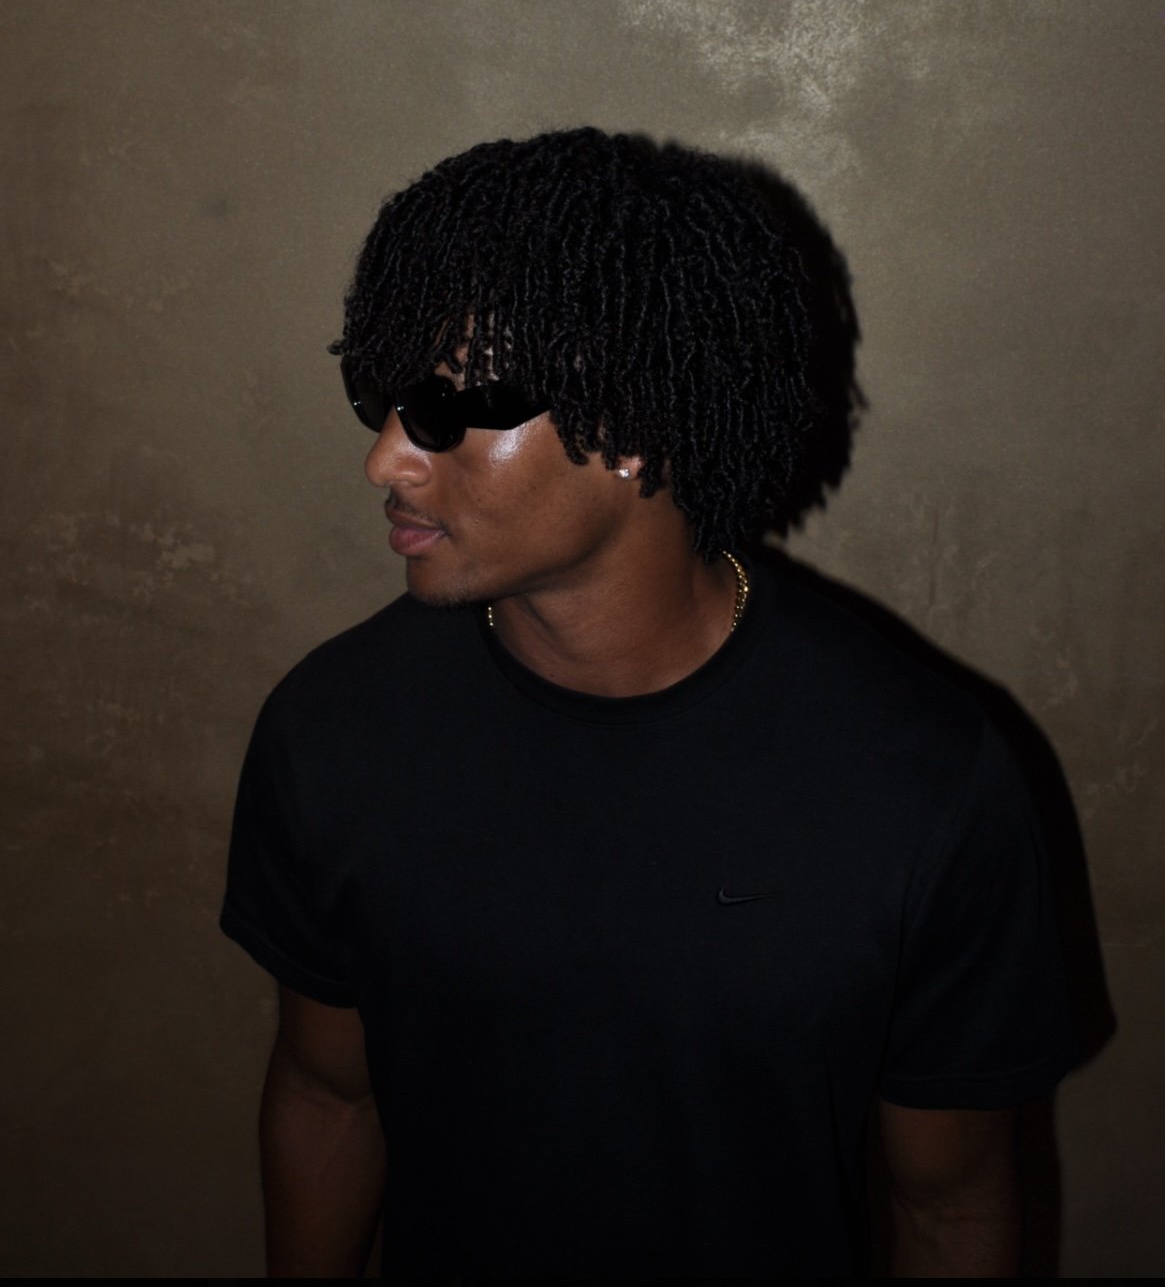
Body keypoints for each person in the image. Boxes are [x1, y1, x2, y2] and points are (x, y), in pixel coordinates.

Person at [221, 126, 1076, 1279]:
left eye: (439, 410)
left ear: (629, 431)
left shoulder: (917, 781)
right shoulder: (336, 733)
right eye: (382, 400)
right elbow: (328, 1097)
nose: (386, 461)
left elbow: (952, 1206)